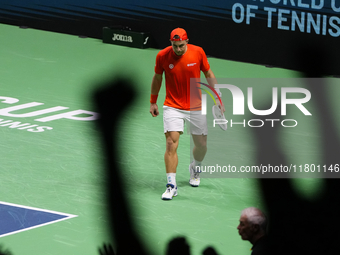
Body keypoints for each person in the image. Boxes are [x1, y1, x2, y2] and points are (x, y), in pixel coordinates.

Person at [149, 28, 224, 200]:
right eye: (175, 46)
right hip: (172, 105)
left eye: (181, 46)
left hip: (195, 106)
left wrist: (218, 97)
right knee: (170, 143)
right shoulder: (162, 56)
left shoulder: (198, 52)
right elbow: (158, 77)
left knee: (202, 145)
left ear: (187, 41)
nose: (178, 49)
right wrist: (153, 101)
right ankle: (171, 185)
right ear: (171, 43)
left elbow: (208, 73)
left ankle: (195, 167)